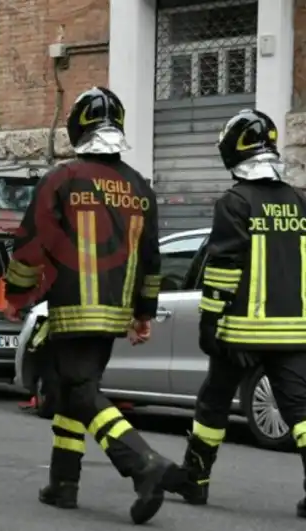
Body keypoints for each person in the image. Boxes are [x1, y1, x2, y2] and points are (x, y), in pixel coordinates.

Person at [2, 87, 178, 525]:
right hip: (114, 311)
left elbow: (31, 245)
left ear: (78, 127)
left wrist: (15, 293)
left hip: (73, 305)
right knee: (68, 392)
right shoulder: (140, 187)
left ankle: (144, 464)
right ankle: (64, 483)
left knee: (80, 390)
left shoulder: (62, 179)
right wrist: (143, 313)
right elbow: (153, 260)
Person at [166, 110, 306, 517]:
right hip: (294, 332)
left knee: (213, 403)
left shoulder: (234, 202)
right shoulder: (299, 201)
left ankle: (196, 478)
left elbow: (223, 270)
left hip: (242, 331)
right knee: (300, 411)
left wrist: (210, 323)